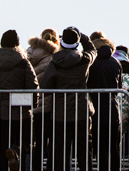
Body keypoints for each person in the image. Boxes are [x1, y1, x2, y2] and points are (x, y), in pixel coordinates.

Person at [38, 28, 97, 171]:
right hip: (81, 110)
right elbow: (92, 50)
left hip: (60, 112)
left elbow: (46, 85)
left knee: (61, 150)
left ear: (62, 42)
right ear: (77, 43)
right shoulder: (85, 59)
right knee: (84, 148)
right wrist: (83, 37)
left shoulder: (54, 62)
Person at [0, 30, 38, 171]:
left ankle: (5, 161)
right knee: (25, 143)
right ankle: (15, 151)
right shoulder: (23, 63)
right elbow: (33, 86)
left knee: (2, 145)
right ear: (17, 43)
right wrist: (32, 105)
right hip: (21, 112)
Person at [87, 33, 123, 171]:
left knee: (99, 147)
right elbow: (119, 86)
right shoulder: (116, 62)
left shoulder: (91, 63)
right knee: (113, 147)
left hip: (95, 108)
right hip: (112, 108)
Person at [26, 30, 59, 171]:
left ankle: (34, 167)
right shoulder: (54, 58)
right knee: (52, 142)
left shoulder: (28, 55)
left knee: (37, 142)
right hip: (50, 106)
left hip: (32, 105)